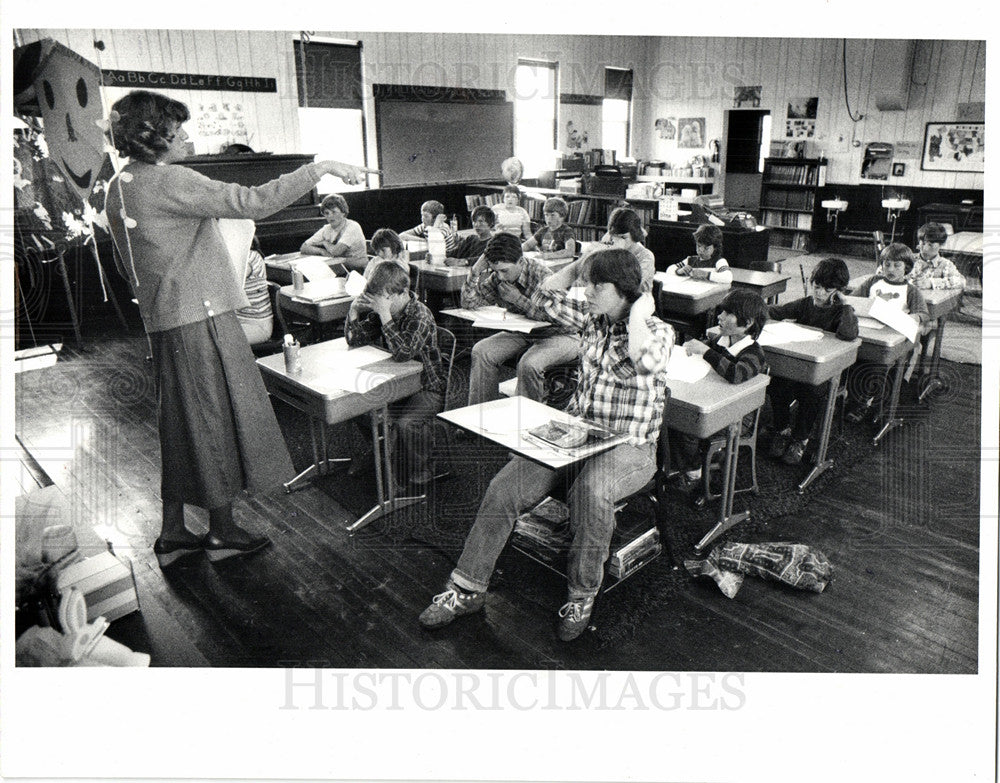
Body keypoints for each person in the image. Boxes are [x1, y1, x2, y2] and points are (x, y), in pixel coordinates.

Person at [103, 90, 373, 567]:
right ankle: (221, 531)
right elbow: (253, 201)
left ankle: (173, 530)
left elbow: (130, 267)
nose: (187, 136)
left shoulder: (119, 184)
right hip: (200, 318)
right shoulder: (170, 181)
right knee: (213, 420)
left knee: (180, 423)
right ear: (155, 138)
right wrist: (320, 167)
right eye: (177, 130)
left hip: (164, 322)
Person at [420, 248, 673, 640]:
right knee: (504, 488)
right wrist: (583, 265)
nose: (586, 291)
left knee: (593, 489)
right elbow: (544, 294)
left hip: (631, 446)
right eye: (587, 284)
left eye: (597, 285)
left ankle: (582, 594)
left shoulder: (658, 331)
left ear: (624, 291)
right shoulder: (593, 321)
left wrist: (639, 310)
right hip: (577, 434)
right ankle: (467, 589)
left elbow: (643, 362)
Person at [344, 262, 446, 490]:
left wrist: (384, 315)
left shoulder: (420, 314)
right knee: (355, 408)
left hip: (427, 387)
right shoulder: (385, 310)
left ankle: (424, 466)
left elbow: (403, 353)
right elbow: (354, 340)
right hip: (396, 382)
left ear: (400, 294)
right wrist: (352, 314)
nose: (378, 303)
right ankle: (382, 449)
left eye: (382, 298)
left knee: (406, 424)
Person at [462, 233, 578, 405]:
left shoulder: (544, 276)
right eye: (495, 271)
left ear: (521, 262)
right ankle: (481, 417)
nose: (500, 277)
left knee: (528, 364)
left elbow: (560, 318)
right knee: (481, 351)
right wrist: (476, 271)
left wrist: (518, 300)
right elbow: (469, 303)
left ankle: (525, 424)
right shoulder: (500, 276)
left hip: (562, 334)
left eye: (504, 271)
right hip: (525, 332)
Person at [767, 258, 859, 465]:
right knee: (776, 381)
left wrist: (846, 306)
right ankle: (782, 429)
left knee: (811, 391)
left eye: (827, 290)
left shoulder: (841, 311)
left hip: (827, 372)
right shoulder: (805, 305)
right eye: (816, 287)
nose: (819, 293)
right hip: (800, 366)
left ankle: (800, 438)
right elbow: (775, 312)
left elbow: (849, 334)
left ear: (838, 291)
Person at [671, 290, 769, 484]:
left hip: (739, 416)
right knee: (675, 418)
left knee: (686, 425)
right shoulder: (720, 340)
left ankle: (694, 470)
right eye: (722, 312)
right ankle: (680, 464)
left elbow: (736, 374)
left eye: (727, 314)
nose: (720, 317)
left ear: (747, 323)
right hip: (714, 403)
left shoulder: (754, 352)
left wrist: (706, 351)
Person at [847, 243, 929, 417]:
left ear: (906, 267)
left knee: (876, 368)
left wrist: (913, 317)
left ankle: (866, 401)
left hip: (891, 340)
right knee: (854, 363)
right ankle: (856, 399)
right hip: (867, 333)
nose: (890, 269)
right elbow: (852, 300)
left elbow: (923, 314)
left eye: (897, 265)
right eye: (887, 264)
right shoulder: (872, 282)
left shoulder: (911, 291)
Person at [554, 207, 655, 292]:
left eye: (623, 237)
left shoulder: (646, 256)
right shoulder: (608, 247)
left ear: (634, 234)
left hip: (636, 305)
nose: (617, 240)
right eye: (614, 236)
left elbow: (629, 285)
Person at [299, 193, 368, 273]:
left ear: (343, 212)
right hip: (340, 269)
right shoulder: (327, 228)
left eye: (334, 212)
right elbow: (304, 247)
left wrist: (324, 243)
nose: (330, 216)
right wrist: (321, 251)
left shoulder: (353, 226)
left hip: (358, 271)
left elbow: (336, 252)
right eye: (326, 213)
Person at [235, 236, 273, 345]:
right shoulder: (235, 257)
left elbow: (231, 282)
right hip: (241, 321)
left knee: (217, 341)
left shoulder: (251, 257)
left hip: (257, 326)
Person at [909, 222, 966, 290]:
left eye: (930, 245)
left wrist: (931, 283)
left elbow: (961, 282)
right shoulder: (909, 259)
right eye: (923, 243)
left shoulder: (945, 264)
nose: (925, 248)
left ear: (941, 245)